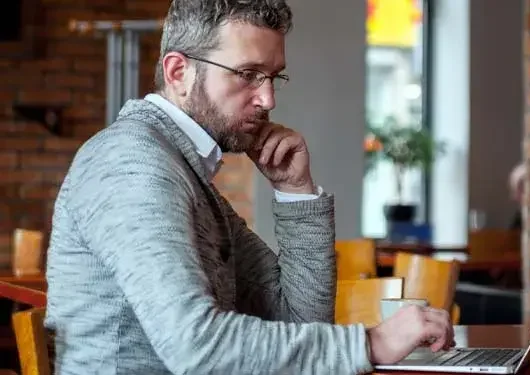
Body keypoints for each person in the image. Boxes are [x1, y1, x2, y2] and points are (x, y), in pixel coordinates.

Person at [44, 0, 454, 374]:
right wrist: (371, 343)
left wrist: (296, 191)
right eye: (248, 75)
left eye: (273, 77)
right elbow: (196, 346)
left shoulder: (184, 172)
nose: (268, 99)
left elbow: (299, 321)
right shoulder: (132, 163)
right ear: (178, 72)